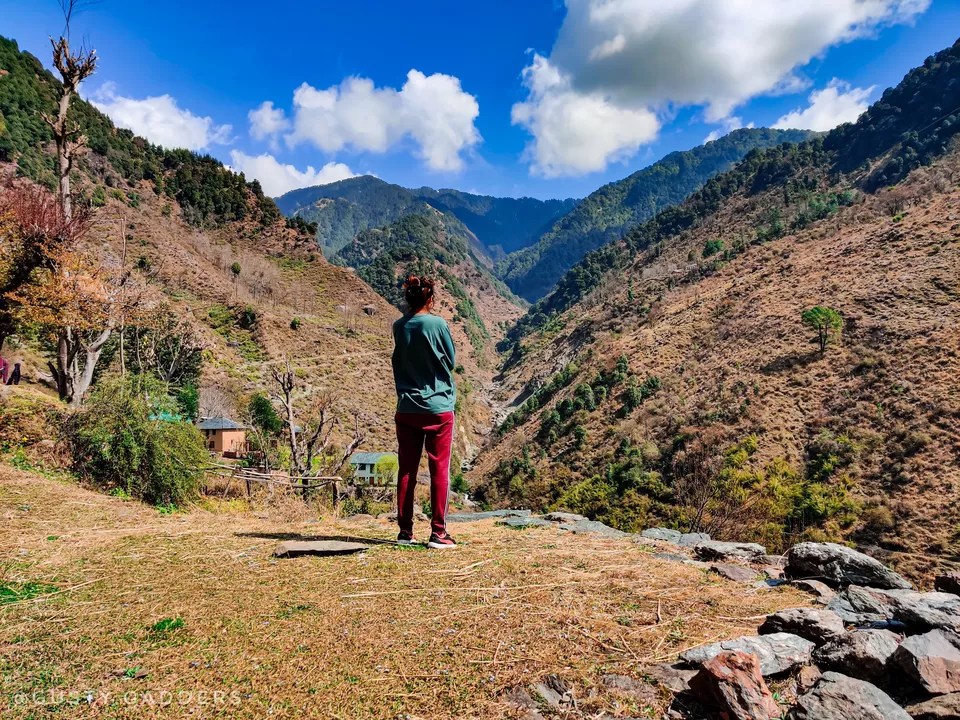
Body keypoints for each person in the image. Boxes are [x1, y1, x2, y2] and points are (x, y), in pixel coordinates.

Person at [392, 276, 457, 549]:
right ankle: (439, 533)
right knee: (438, 469)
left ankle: (405, 533)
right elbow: (451, 361)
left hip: (406, 407)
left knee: (407, 468)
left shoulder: (399, 326)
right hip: (438, 408)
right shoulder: (438, 324)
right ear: (430, 299)